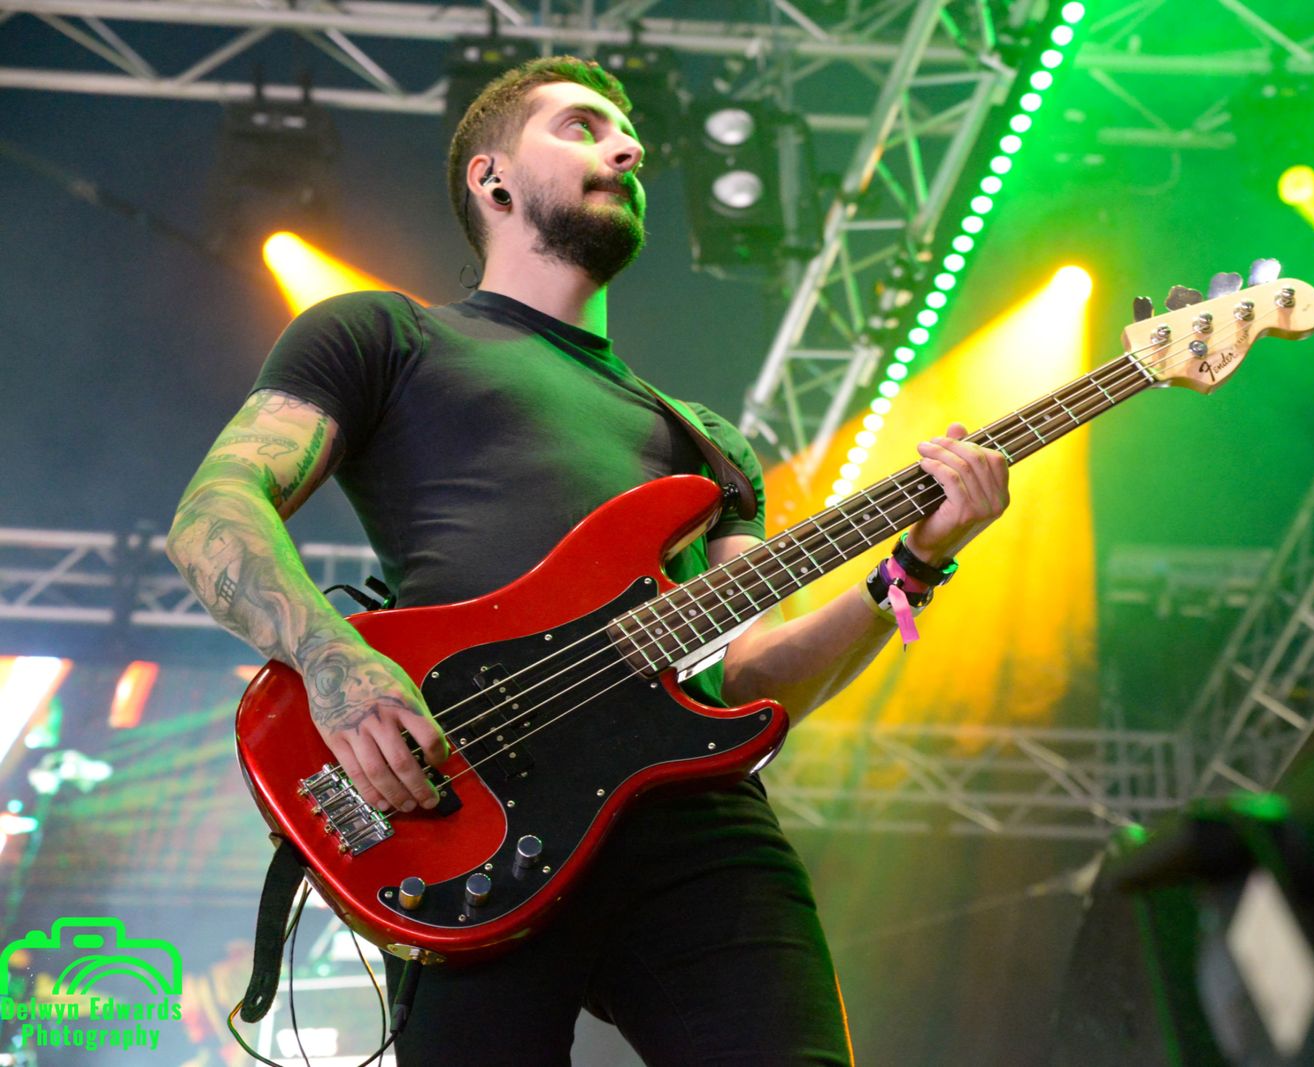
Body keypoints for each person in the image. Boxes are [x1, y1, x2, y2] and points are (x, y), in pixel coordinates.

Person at [167, 55, 1011, 1066]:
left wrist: (913, 568)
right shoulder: (385, 335)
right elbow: (216, 510)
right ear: (491, 178)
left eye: (627, 133)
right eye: (582, 125)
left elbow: (752, 676)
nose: (629, 147)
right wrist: (334, 659)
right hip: (461, 803)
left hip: (692, 829)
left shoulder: (706, 444)